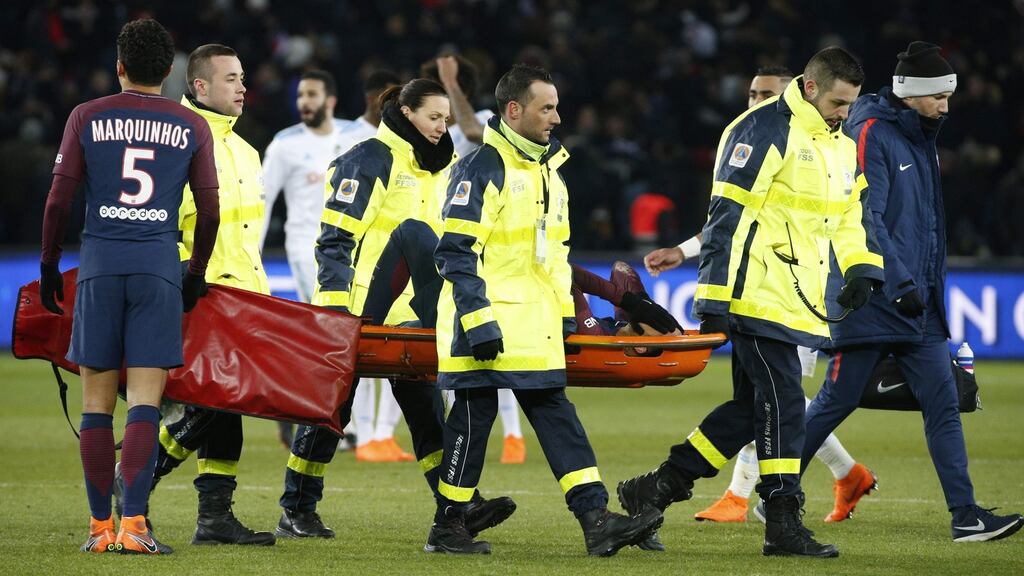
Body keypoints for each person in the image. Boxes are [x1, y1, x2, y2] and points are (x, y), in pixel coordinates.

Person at [617, 47, 884, 558]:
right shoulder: (762, 129)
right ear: (810, 87)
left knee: (749, 409)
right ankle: (782, 521)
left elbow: (851, 215)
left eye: (850, 105)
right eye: (837, 102)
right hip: (752, 293)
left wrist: (861, 267)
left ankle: (656, 487)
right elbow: (727, 215)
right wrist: (714, 294)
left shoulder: (838, 143)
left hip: (794, 298)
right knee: (784, 402)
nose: (844, 114)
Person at [427, 63, 663, 556]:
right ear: (514, 111)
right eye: (547, 107)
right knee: (474, 418)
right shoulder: (482, 167)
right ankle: (449, 525)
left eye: (556, 106)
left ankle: (596, 520)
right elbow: (454, 253)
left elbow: (554, 258)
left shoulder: (550, 174)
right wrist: (478, 321)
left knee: (556, 416)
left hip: (532, 323)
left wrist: (563, 316)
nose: (557, 117)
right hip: (485, 322)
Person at [276, 79, 515, 541]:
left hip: (413, 314)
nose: (441, 127)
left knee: (425, 409)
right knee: (333, 412)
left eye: (446, 120)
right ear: (406, 113)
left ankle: (457, 507)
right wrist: (334, 313)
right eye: (433, 117)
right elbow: (334, 242)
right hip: (361, 309)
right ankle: (297, 507)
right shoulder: (369, 159)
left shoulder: (437, 168)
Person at [802, 41, 1023, 543]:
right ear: (911, 94)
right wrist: (898, 283)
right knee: (834, 403)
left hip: (917, 305)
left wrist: (924, 290)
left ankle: (965, 516)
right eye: (939, 96)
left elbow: (921, 227)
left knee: (943, 401)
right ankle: (779, 493)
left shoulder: (919, 137)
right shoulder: (872, 131)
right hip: (873, 297)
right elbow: (865, 214)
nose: (946, 105)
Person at [39, 18, 220, 555]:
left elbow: (57, 201)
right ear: (169, 71)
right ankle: (135, 525)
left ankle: (99, 530)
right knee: (145, 398)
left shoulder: (85, 117)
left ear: (119, 66)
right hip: (157, 268)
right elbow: (209, 209)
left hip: (99, 265)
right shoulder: (190, 125)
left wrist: (51, 265)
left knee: (96, 403)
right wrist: (196, 272)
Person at [121, 43, 276, 547]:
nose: (243, 86)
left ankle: (215, 518)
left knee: (229, 409)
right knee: (212, 403)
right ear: (200, 87)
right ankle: (137, 476)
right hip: (198, 294)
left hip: (246, 296)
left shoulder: (248, 151)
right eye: (231, 78)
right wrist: (182, 278)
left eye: (243, 77)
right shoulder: (174, 142)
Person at [422, 53, 527, 465]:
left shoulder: (486, 121)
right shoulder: (431, 135)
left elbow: (468, 127)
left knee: (490, 343)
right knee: (464, 348)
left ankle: (512, 435)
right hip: (447, 239)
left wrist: (450, 82)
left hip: (480, 245)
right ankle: (481, 434)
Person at [329, 69, 418, 462]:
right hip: (365, 273)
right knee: (363, 367)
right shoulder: (358, 145)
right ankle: (361, 434)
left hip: (402, 278)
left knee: (402, 368)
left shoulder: (419, 154)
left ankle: (382, 434)